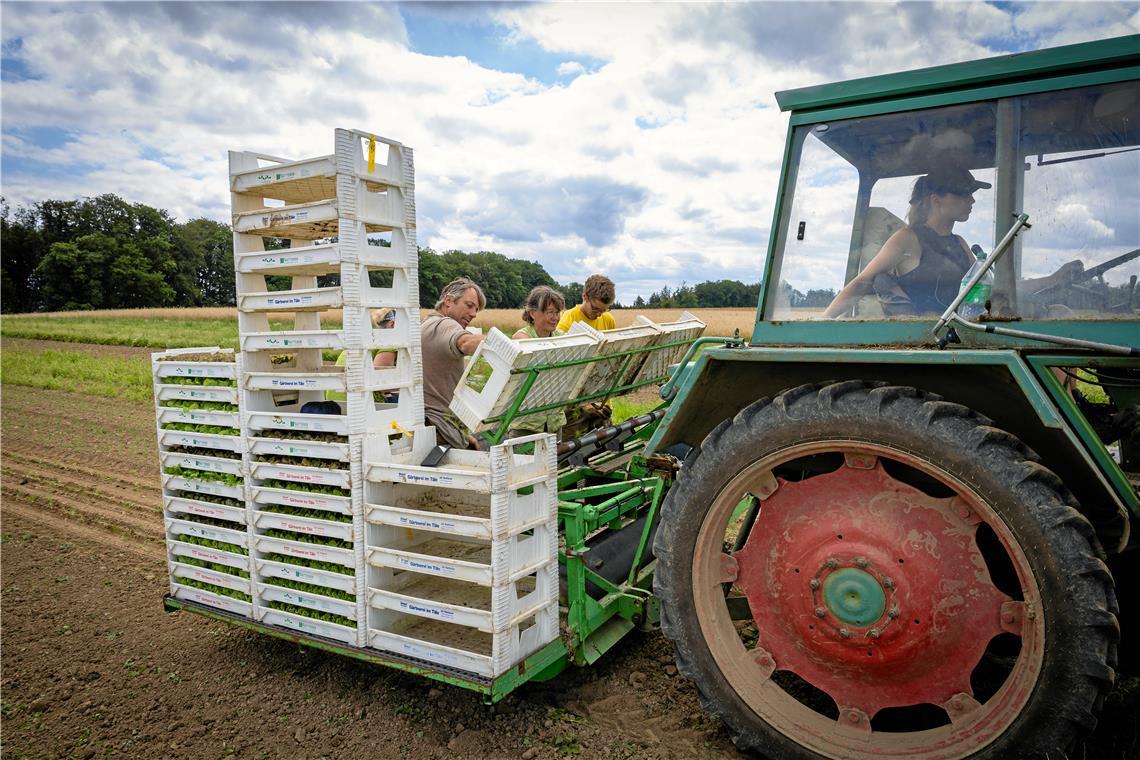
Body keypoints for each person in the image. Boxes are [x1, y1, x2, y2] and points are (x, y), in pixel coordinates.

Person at [823, 167, 990, 318]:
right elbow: (862, 282)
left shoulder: (960, 243)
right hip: (919, 340)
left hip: (959, 338)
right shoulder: (907, 238)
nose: (972, 200)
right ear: (936, 200)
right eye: (964, 194)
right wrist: (823, 322)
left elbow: (981, 288)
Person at [422, 277, 486, 449]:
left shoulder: (427, 324)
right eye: (469, 305)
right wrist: (508, 345)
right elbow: (465, 343)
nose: (473, 314)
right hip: (439, 428)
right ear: (448, 301)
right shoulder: (444, 324)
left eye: (476, 309)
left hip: (434, 424)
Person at [508, 286, 568, 440]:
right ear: (533, 313)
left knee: (554, 464)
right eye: (550, 312)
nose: (555, 317)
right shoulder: (521, 338)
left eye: (557, 312)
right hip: (527, 423)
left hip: (554, 421)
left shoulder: (561, 336)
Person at [325, 308, 399, 404]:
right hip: (355, 401)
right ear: (392, 324)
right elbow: (380, 381)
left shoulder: (366, 337)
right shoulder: (388, 342)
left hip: (335, 398)